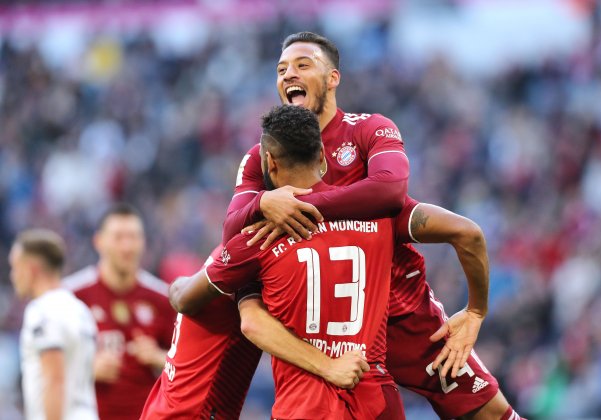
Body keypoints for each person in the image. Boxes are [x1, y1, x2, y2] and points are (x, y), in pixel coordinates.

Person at [226, 32, 522, 419]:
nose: (288, 75)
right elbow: (232, 231)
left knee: (491, 414)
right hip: (320, 329)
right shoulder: (264, 155)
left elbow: (390, 192)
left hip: (402, 314)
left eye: (302, 65)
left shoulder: (367, 130)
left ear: (333, 78)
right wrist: (264, 200)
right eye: (281, 69)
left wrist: (476, 311)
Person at [169, 104, 412, 419]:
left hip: (305, 406)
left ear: (269, 162)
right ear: (323, 157)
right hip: (377, 401)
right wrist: (475, 311)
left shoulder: (260, 238)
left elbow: (188, 301)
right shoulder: (382, 217)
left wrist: (176, 286)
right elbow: (465, 231)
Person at [64, 203, 174, 420]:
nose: (127, 246)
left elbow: (186, 365)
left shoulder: (163, 298)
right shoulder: (71, 295)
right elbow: (45, 363)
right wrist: (85, 368)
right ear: (99, 242)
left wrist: (158, 357)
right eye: (118, 237)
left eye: (133, 237)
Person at [9, 229, 98, 420]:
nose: (13, 276)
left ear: (31, 269)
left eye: (15, 267)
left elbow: (54, 381)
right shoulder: (80, 309)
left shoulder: (42, 311)